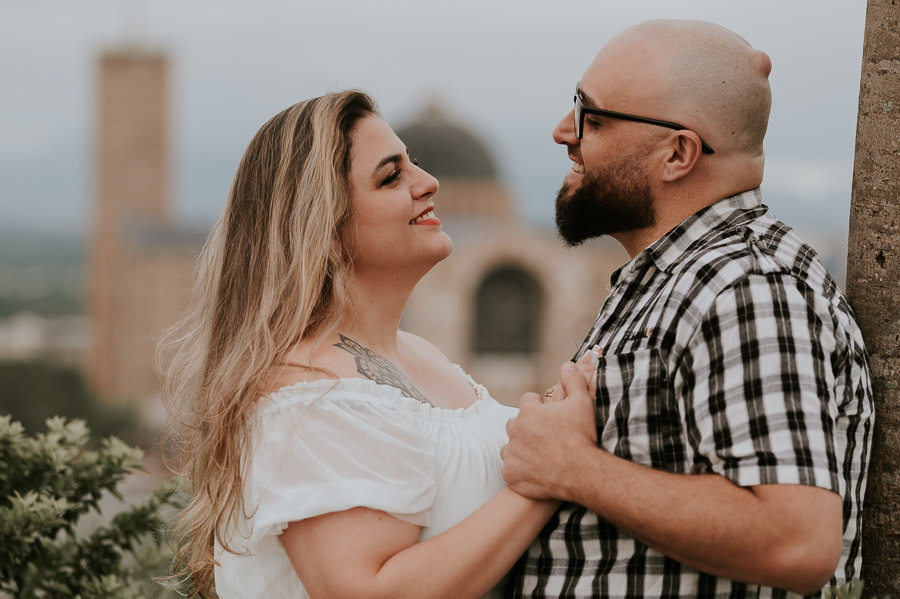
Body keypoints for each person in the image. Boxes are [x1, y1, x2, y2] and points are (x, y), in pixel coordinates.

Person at [159, 90, 595, 599]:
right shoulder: (312, 393)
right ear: (321, 224)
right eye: (391, 176)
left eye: (416, 164)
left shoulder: (420, 354)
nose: (428, 183)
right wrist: (550, 478)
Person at [500, 19, 874, 598]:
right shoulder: (684, 280)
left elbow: (796, 539)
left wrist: (573, 468)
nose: (562, 132)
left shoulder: (746, 287)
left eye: (591, 116)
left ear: (678, 153)